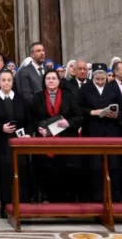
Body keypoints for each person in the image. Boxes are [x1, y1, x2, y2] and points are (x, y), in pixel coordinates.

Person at [0, 69, 31, 216]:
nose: (6, 83)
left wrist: (27, 133)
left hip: (18, 143)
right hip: (0, 143)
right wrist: (0, 127)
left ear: (12, 81)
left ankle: (20, 204)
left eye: (9, 80)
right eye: (3, 80)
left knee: (19, 172)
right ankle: (4, 204)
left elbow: (29, 120)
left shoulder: (21, 99)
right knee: (2, 174)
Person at [32, 69, 82, 202]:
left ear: (59, 81)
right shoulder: (38, 97)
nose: (51, 80)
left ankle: (66, 198)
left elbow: (78, 117)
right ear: (44, 81)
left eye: (54, 78)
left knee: (65, 169)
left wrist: (68, 123)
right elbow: (32, 118)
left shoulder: (68, 95)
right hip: (45, 139)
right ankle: (47, 196)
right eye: (48, 78)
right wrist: (39, 128)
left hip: (66, 139)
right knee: (47, 169)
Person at [79, 63, 122, 201]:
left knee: (113, 165)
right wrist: (92, 112)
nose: (100, 81)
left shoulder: (113, 88)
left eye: (102, 79)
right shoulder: (85, 89)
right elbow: (78, 108)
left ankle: (114, 198)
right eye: (97, 79)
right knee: (95, 165)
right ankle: (95, 198)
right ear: (93, 76)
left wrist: (116, 115)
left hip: (111, 130)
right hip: (92, 130)